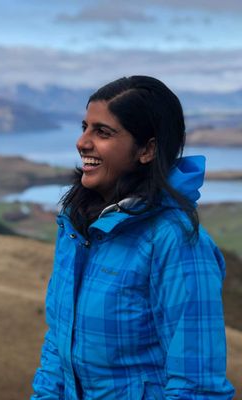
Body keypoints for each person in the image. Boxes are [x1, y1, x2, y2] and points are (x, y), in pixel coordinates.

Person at [30, 76, 235, 399]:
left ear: (147, 150)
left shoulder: (174, 240)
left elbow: (197, 387)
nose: (82, 142)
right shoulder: (74, 226)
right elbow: (58, 347)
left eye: (102, 132)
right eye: (84, 127)